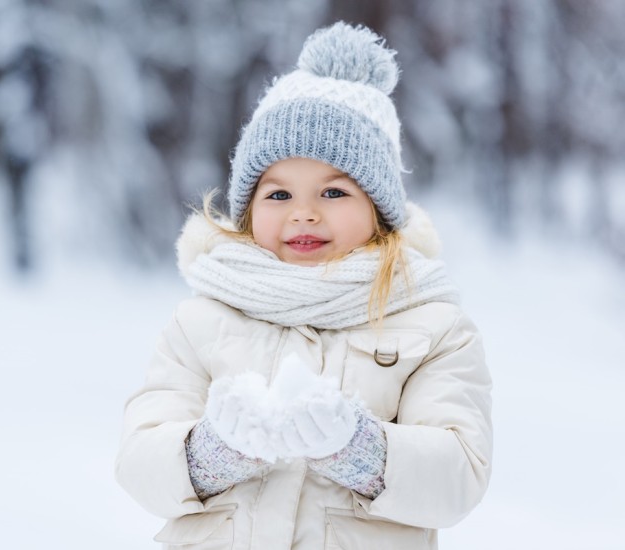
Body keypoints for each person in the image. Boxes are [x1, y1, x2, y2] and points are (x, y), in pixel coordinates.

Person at [115, 21, 492, 550]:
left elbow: (459, 475)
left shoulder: (431, 325)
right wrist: (211, 454)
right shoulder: (202, 320)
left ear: (379, 208)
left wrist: (360, 451)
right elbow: (139, 458)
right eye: (278, 195)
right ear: (248, 208)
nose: (305, 215)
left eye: (334, 193)